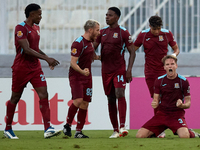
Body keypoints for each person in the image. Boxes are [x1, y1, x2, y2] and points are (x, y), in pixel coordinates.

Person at [4, 3, 61, 139]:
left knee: (44, 94)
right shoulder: (20, 28)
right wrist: (47, 59)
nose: (41, 17)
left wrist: (47, 58)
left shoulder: (36, 28)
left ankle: (48, 128)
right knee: (15, 98)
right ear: (32, 14)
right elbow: (27, 49)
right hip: (21, 68)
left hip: (35, 68)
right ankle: (8, 128)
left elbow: (35, 48)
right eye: (39, 14)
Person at [133, 15, 180, 137]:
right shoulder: (143, 35)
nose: (157, 31)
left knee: (168, 98)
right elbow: (132, 49)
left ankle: (174, 124)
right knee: (156, 99)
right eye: (154, 29)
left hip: (165, 72)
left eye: (158, 28)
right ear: (149, 27)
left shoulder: (167, 34)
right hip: (150, 73)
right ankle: (160, 129)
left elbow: (176, 49)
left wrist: (174, 56)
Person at [93, 7, 136, 138]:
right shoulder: (102, 32)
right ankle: (115, 129)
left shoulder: (124, 32)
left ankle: (123, 126)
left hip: (119, 69)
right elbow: (92, 47)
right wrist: (93, 55)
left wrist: (129, 70)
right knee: (110, 98)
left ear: (117, 17)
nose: (107, 17)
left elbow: (132, 52)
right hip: (106, 70)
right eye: (106, 15)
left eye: (110, 15)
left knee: (119, 93)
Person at [136, 55, 200, 138]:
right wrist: (154, 103)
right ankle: (155, 132)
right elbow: (156, 99)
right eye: (167, 64)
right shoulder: (159, 80)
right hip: (162, 114)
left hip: (176, 115)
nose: (170, 66)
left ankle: (192, 133)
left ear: (176, 66)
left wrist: (182, 105)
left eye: (172, 64)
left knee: (184, 136)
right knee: (140, 135)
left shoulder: (183, 81)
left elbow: (188, 103)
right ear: (164, 67)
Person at [63, 19, 100, 138]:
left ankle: (78, 132)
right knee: (78, 100)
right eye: (97, 30)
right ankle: (67, 125)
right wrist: (82, 71)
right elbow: (73, 63)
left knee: (85, 103)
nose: (99, 32)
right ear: (90, 30)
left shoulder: (90, 42)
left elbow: (94, 57)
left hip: (87, 76)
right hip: (76, 75)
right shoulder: (78, 43)